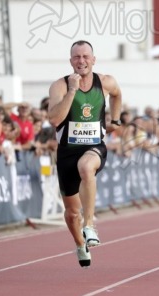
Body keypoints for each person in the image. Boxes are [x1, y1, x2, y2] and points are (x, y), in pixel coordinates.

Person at [48, 40, 122, 268]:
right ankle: (80, 243)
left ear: (93, 59)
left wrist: (116, 120)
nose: (81, 61)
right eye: (77, 57)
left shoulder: (106, 81)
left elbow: (117, 95)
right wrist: (72, 90)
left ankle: (90, 224)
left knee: (86, 167)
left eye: (85, 56)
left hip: (94, 147)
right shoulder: (59, 86)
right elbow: (55, 119)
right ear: (71, 61)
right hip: (67, 153)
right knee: (71, 213)